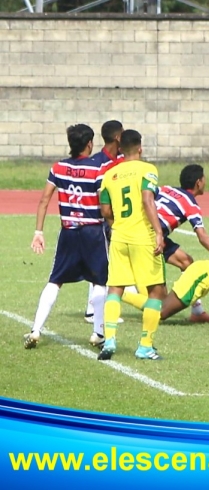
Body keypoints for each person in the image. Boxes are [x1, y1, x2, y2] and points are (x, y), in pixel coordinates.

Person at [24, 124, 109, 349]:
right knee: (100, 280)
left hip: (69, 231)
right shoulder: (97, 169)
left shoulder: (58, 167)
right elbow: (103, 202)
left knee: (55, 280)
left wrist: (38, 232)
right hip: (93, 232)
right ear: (89, 144)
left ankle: (35, 329)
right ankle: (98, 332)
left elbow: (44, 200)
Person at [119, 164, 209, 323]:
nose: (205, 182)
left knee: (187, 263)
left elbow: (145, 198)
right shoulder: (191, 205)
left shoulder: (166, 189)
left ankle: (197, 312)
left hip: (150, 233)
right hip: (149, 238)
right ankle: (121, 293)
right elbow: (202, 237)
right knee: (161, 307)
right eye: (204, 179)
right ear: (198, 182)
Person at [98, 129, 166, 361]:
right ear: (140, 147)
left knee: (115, 289)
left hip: (118, 237)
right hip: (143, 238)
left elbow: (105, 210)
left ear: (120, 149)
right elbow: (148, 199)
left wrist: (117, 224)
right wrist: (158, 232)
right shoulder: (148, 169)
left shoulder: (110, 174)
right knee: (157, 291)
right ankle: (145, 345)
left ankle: (109, 339)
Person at [84, 119, 124, 325]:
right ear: (118, 137)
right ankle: (92, 310)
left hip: (121, 219)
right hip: (100, 219)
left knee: (115, 262)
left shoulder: (124, 160)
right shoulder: (97, 162)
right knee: (101, 262)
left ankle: (107, 306)